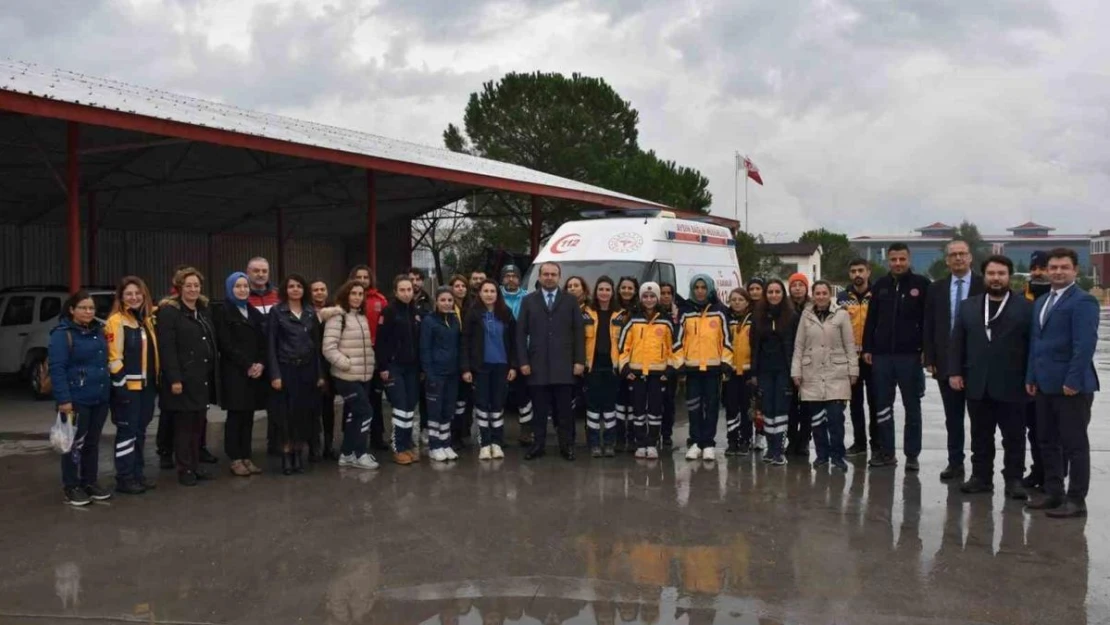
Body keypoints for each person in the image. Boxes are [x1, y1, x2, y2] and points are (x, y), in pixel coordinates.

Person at [947, 255, 1032, 499]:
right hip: (977, 382)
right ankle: (981, 477)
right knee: (980, 435)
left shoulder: (1025, 308)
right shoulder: (969, 306)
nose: (996, 278)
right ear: (984, 276)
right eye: (992, 273)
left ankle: (1014, 479)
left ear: (1009, 277)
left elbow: (1032, 346)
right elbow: (957, 342)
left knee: (1014, 437)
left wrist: (1031, 378)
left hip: (1013, 384)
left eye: (1001, 274)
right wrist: (954, 371)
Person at [1024, 248, 1101, 518]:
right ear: (1046, 270)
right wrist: (1031, 377)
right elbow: (1037, 343)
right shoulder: (1043, 301)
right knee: (1046, 441)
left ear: (1075, 270)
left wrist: (1073, 379)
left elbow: (1085, 345)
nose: (1057, 271)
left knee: (1074, 445)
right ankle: (1053, 492)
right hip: (1044, 385)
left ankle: (1076, 499)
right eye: (1053, 267)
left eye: (1064, 267)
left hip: (1071, 387)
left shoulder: (1083, 302)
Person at [862, 243, 930, 470]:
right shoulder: (880, 286)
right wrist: (868, 348)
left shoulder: (921, 285)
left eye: (902, 259)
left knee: (912, 407)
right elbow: (871, 320)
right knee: (882, 406)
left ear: (908, 259)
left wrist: (926, 351)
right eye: (893, 259)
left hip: (910, 357)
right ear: (887, 261)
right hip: (882, 357)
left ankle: (912, 455)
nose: (898, 263)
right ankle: (887, 452)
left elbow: (928, 322)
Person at [924, 239, 985, 482]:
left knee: (980, 418)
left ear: (970, 258)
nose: (958, 258)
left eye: (962, 254)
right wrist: (929, 356)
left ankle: (980, 467)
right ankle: (955, 463)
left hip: (978, 362)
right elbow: (929, 324)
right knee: (953, 417)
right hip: (946, 362)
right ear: (947, 260)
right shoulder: (936, 288)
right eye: (953, 255)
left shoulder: (983, 285)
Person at [516, 262, 586, 461]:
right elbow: (520, 334)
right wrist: (523, 361)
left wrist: (579, 361)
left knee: (564, 411)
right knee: (539, 411)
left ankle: (567, 446)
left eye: (553, 274)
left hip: (564, 366)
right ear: (539, 277)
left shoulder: (570, 301)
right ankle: (538, 445)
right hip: (536, 366)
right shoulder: (528, 301)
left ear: (559, 277)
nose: (549, 277)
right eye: (545, 274)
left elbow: (578, 333)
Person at [157, 267, 218, 487]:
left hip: (201, 378)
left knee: (197, 426)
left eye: (196, 285)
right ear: (179, 287)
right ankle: (184, 469)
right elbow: (167, 348)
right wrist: (174, 379)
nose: (193, 289)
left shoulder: (202, 310)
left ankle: (195, 465)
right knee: (183, 428)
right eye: (188, 285)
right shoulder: (169, 312)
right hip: (182, 380)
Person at [50, 290, 112, 506]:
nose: (88, 312)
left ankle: (89, 482)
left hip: (99, 397)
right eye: (83, 308)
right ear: (71, 310)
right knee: (72, 445)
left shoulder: (99, 331)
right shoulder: (62, 334)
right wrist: (64, 400)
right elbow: (57, 369)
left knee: (92, 443)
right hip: (76, 400)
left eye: (91, 308)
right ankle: (71, 486)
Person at [791, 280, 857, 472]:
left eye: (824, 293)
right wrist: (796, 371)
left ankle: (838, 457)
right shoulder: (806, 316)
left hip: (836, 373)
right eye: (817, 293)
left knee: (836, 419)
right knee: (817, 420)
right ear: (813, 295)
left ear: (830, 295)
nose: (820, 297)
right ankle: (821, 456)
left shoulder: (841, 315)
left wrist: (853, 370)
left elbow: (849, 345)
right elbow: (799, 346)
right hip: (811, 373)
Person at [105, 277, 160, 495]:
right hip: (128, 388)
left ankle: (138, 474)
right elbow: (114, 358)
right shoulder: (116, 321)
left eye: (138, 293)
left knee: (140, 431)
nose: (134, 297)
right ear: (121, 297)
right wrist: (121, 388)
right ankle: (124, 477)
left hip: (147, 388)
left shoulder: (145, 320)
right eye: (129, 293)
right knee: (127, 432)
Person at [212, 272, 268, 477]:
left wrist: (261, 363)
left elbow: (264, 341)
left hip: (254, 373)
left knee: (249, 416)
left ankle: (246, 456)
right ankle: (235, 458)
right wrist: (247, 365)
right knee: (236, 416)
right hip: (235, 373)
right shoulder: (223, 312)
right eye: (238, 286)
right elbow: (226, 344)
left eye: (245, 286)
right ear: (229, 289)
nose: (242, 290)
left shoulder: (253, 312)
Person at [268, 274, 325, 475]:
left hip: (308, 370)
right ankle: (286, 455)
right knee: (286, 417)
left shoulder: (310, 313)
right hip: (286, 369)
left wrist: (320, 374)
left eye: (299, 286)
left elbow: (317, 346)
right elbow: (271, 345)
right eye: (291, 286)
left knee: (303, 415)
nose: (295, 289)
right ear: (285, 289)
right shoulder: (277, 312)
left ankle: (298, 454)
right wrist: (275, 374)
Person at [322, 280, 380, 471]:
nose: (357, 297)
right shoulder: (338, 316)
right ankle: (360, 453)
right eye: (353, 293)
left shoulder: (360, 316)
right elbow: (328, 348)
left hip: (363, 375)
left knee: (356, 414)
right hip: (346, 376)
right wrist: (345, 364)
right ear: (346, 295)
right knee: (365, 412)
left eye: (360, 294)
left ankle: (347, 454)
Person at [675, 274, 732, 462]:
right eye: (697, 287)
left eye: (703, 287)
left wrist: (725, 361)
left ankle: (708, 443)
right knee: (693, 406)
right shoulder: (685, 312)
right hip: (692, 368)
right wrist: (680, 363)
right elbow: (678, 341)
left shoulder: (720, 311)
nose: (700, 291)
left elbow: (726, 340)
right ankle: (696, 443)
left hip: (713, 368)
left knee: (712, 406)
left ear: (709, 289)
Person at [618, 282, 676, 459]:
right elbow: (623, 347)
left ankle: (652, 443)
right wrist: (625, 367)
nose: (649, 300)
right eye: (645, 296)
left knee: (655, 409)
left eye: (652, 296)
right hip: (636, 373)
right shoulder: (633, 320)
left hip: (658, 374)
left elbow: (673, 348)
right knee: (638, 409)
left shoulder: (665, 321)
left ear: (657, 298)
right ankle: (640, 442)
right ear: (641, 298)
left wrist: (670, 369)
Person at [462, 279, 518, 460]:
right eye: (485, 291)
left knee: (497, 406)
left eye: (492, 291)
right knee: (482, 405)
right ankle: (485, 444)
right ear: (479, 293)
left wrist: (514, 366)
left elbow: (515, 342)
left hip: (502, 366)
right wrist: (466, 368)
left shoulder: (506, 313)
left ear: (497, 294)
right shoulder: (473, 314)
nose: (489, 294)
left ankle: (497, 442)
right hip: (480, 367)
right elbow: (465, 343)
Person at [376, 275, 423, 465]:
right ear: (395, 292)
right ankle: (398, 447)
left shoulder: (415, 311)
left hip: (412, 367)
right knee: (401, 406)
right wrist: (383, 366)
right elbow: (381, 341)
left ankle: (407, 443)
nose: (406, 293)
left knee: (410, 406)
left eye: (409, 289)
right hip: (394, 367)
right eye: (402, 290)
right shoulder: (388, 311)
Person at [750, 279, 795, 466]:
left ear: (783, 294)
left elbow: (795, 346)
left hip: (784, 370)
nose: (774, 295)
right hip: (764, 371)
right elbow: (754, 347)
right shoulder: (758, 316)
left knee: (781, 410)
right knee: (767, 410)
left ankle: (779, 450)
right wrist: (754, 372)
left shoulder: (792, 316)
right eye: (770, 292)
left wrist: (795, 371)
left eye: (777, 292)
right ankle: (770, 448)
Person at [837, 259, 876, 458]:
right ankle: (859, 443)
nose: (857, 274)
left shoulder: (877, 295)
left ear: (868, 272)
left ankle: (877, 445)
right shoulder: (842, 298)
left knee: (876, 403)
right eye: (853, 271)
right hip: (850, 359)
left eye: (861, 270)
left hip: (873, 358)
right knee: (855, 404)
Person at [349, 265, 390, 452]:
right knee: (355, 402)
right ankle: (352, 441)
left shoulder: (380, 300)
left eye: (366, 277)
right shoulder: (346, 300)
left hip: (375, 356)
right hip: (354, 357)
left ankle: (377, 437)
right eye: (359, 276)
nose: (363, 280)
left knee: (375, 399)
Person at [421, 287, 463, 462]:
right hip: (436, 374)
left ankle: (446, 443)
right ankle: (434, 445)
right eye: (443, 300)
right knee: (435, 411)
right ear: (436, 302)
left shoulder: (454, 320)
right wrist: (429, 372)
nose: (447, 303)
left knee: (448, 410)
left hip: (452, 373)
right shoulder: (429, 321)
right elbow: (424, 348)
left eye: (450, 300)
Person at [246, 257, 280, 456]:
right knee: (247, 408)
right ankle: (244, 451)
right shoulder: (242, 295)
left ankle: (274, 444)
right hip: (252, 362)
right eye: (256, 271)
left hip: (275, 360)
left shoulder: (278, 296)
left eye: (264, 271)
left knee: (276, 406)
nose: (260, 274)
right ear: (248, 272)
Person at [1022, 250, 1050, 491]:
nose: (1038, 272)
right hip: (1027, 376)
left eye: (1043, 267)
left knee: (1052, 432)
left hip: (1053, 377)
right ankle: (1037, 471)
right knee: (1033, 430)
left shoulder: (1058, 297)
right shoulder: (1022, 297)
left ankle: (1053, 477)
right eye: (1035, 268)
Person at [582, 276, 619, 457]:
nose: (604, 293)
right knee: (593, 407)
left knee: (610, 407)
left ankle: (610, 443)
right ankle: (594, 443)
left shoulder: (621, 314)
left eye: (607, 289)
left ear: (612, 292)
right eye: (601, 289)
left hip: (612, 367)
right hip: (592, 367)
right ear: (595, 292)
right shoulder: (586, 313)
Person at [499, 264, 532, 445]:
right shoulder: (495, 297)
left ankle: (526, 431)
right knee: (500, 394)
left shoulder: (528, 298)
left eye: (514, 276)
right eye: (507, 276)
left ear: (520, 279)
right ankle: (497, 433)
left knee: (524, 394)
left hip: (523, 352)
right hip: (500, 351)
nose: (510, 279)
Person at [309, 279, 338, 461]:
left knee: (328, 407)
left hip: (329, 366)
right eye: (315, 290)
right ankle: (313, 446)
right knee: (312, 408)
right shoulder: (305, 311)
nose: (319, 292)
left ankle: (328, 445)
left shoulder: (334, 312)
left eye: (322, 289)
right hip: (310, 365)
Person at [723, 288, 754, 456]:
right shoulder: (726, 320)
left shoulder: (753, 321)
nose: (736, 302)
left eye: (740, 299)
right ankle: (732, 440)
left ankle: (746, 440)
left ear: (747, 302)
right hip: (730, 371)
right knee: (731, 407)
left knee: (746, 408)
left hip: (748, 371)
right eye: (733, 299)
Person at [785, 272, 811, 458]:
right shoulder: (784, 307)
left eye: (801, 285)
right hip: (789, 360)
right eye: (794, 285)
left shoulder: (813, 306)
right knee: (791, 405)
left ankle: (804, 441)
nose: (797, 288)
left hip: (810, 362)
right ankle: (792, 440)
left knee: (808, 405)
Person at [612, 276, 640, 452]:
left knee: (634, 402)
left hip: (635, 362)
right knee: (619, 402)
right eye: (624, 287)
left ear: (635, 290)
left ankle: (633, 437)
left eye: (630, 288)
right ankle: (620, 438)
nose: (627, 291)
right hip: (616, 361)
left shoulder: (640, 310)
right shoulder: (613, 310)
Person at [745, 277, 767, 450]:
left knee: (761, 403)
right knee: (748, 402)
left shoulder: (768, 310)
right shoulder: (744, 309)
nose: (754, 292)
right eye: (751, 289)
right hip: (745, 360)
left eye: (758, 288)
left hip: (763, 361)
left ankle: (760, 435)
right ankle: (746, 436)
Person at [658, 282, 680, 448]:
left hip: (672, 363)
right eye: (663, 293)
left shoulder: (678, 313)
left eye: (668, 293)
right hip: (655, 363)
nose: (665, 296)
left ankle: (666, 434)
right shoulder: (652, 312)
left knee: (669, 402)